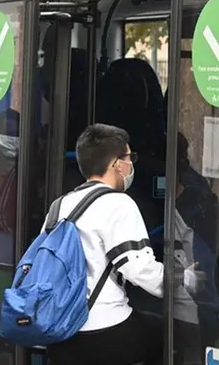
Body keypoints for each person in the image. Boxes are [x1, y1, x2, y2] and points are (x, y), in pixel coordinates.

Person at [46, 124, 167, 365]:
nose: (131, 164)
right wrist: (182, 284)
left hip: (60, 329)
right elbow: (139, 269)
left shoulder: (60, 205)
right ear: (117, 165)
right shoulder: (119, 204)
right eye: (129, 157)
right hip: (105, 330)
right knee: (165, 333)